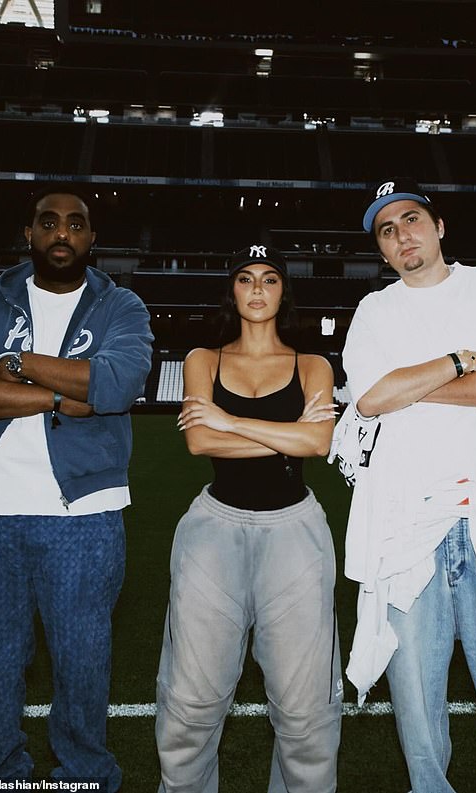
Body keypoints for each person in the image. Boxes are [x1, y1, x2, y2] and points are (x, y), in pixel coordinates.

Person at [338, 178, 476, 792]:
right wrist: (459, 362)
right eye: (386, 231)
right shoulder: (373, 310)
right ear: (381, 252)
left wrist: (407, 387)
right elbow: (371, 396)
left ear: (439, 227)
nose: (401, 234)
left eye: (411, 219)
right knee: (416, 711)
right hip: (406, 528)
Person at [0, 187, 154, 791]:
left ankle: (83, 776)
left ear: (91, 239)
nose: (63, 233)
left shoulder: (121, 306)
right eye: (49, 222)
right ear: (28, 235)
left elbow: (116, 383)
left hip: (85, 512)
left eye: (76, 224)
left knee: (83, 663)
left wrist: (18, 364)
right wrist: (59, 396)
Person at [155, 245, 343, 793]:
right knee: (190, 703)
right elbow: (198, 442)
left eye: (269, 279)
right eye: (245, 278)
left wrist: (229, 419)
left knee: (306, 712)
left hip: (296, 534)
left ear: (284, 292)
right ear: (231, 291)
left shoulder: (313, 365)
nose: (257, 289)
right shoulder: (202, 359)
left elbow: (320, 442)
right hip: (213, 533)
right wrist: (288, 439)